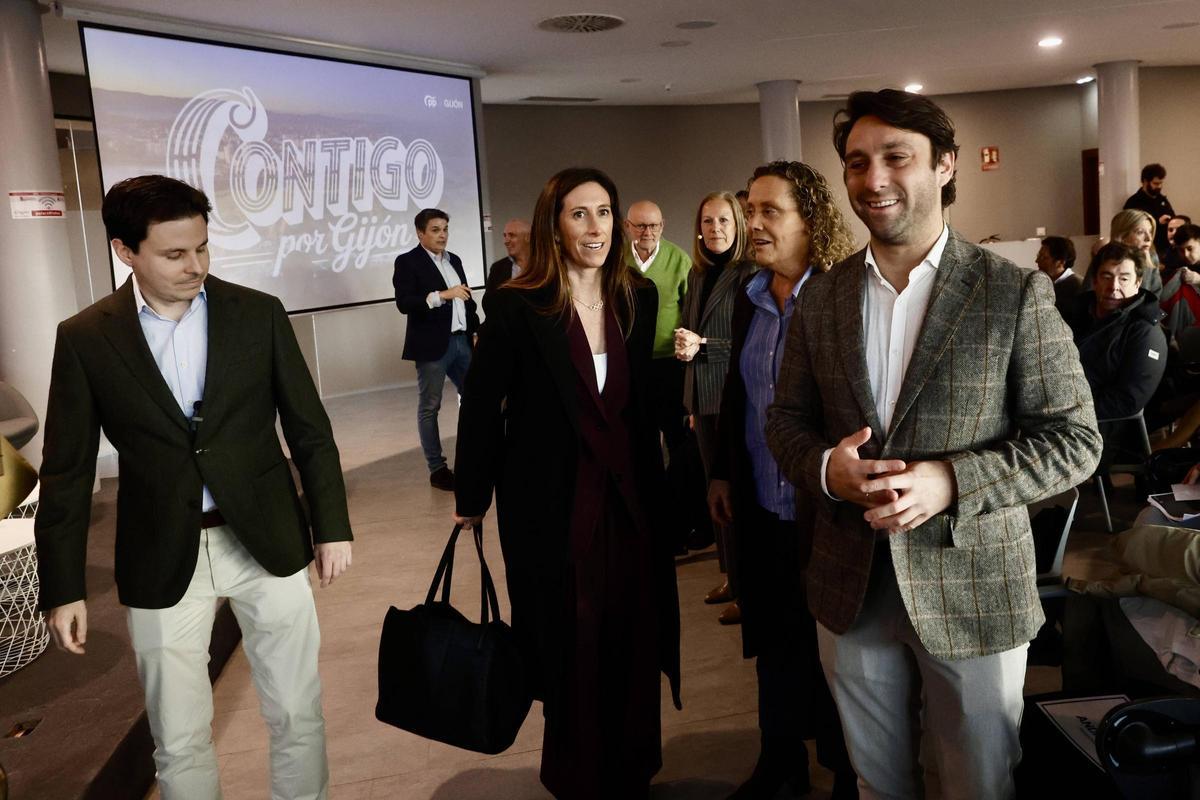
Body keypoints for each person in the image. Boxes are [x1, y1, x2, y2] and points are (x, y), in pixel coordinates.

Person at [765, 89, 1103, 800]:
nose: (874, 179)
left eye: (897, 157)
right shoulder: (822, 299)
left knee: (978, 782)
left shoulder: (1013, 293)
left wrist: (950, 483)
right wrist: (828, 469)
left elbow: (1074, 441)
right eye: (857, 163)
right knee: (877, 782)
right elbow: (785, 420)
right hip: (850, 585)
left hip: (975, 585)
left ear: (946, 165)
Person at [35, 175, 353, 800]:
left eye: (203, 248)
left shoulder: (257, 313)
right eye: (175, 254)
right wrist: (64, 586)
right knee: (177, 739)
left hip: (267, 539)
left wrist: (332, 525)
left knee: (296, 712)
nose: (196, 266)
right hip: (160, 551)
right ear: (126, 252)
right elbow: (66, 472)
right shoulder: (85, 337)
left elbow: (310, 430)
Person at [453, 167, 681, 800]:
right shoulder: (516, 303)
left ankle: (633, 767)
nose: (596, 227)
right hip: (552, 508)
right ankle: (578, 775)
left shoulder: (638, 297)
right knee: (569, 640)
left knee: (631, 632)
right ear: (555, 223)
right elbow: (480, 405)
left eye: (604, 212)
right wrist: (471, 497)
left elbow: (636, 408)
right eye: (580, 214)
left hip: (629, 504)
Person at [708, 162, 858, 800]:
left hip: (824, 510)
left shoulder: (840, 298)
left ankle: (849, 769)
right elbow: (737, 396)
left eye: (771, 211)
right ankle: (781, 759)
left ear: (810, 220)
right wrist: (720, 471)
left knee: (834, 652)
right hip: (759, 504)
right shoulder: (747, 299)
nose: (754, 223)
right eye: (752, 209)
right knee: (772, 639)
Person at [674, 191, 756, 625]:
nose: (716, 229)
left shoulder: (750, 275)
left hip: (734, 397)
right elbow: (689, 331)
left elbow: (751, 343)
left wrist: (704, 346)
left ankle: (748, 588)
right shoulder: (698, 272)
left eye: (724, 220)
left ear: (738, 225)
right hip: (703, 400)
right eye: (708, 221)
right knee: (715, 495)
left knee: (736, 494)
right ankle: (731, 576)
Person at [623, 199, 697, 549]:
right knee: (642, 443)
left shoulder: (679, 259)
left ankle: (680, 524)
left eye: (653, 226)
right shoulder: (616, 261)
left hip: (670, 365)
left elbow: (690, 311)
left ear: (663, 226)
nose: (647, 232)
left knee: (679, 444)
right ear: (627, 227)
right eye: (640, 226)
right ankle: (648, 522)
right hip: (632, 366)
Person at [393, 208, 480, 491]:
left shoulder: (454, 259)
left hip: (461, 341)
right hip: (432, 346)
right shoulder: (408, 262)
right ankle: (437, 468)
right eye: (435, 230)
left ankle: (477, 456)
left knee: (477, 398)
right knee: (430, 407)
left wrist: (475, 329)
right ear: (420, 233)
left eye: (444, 229)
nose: (442, 235)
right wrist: (442, 295)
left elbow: (466, 299)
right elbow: (405, 302)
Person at [1064, 242, 1168, 424]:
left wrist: (1065, 410)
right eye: (1106, 277)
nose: (1113, 287)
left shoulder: (1145, 332)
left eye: (1124, 279)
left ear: (1137, 283)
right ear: (1095, 281)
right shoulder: (1074, 313)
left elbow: (1127, 401)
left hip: (1103, 428)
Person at [1124, 163, 1175, 258]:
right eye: (1156, 183)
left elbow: (1173, 216)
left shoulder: (1162, 199)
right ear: (1145, 181)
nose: (1159, 186)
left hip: (1167, 250)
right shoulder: (1133, 202)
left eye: (1161, 183)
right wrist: (1157, 222)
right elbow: (1133, 227)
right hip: (1145, 250)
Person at [1110, 208, 1163, 296]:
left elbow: (1155, 294)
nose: (1149, 238)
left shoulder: (1152, 256)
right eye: (1140, 232)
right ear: (1122, 236)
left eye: (1150, 231)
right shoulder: (1105, 257)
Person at [1035, 235, 1083, 311]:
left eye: (1043, 257)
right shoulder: (1047, 283)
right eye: (1038, 256)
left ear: (1060, 262)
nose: (1037, 261)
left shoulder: (1077, 287)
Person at [485, 218, 531, 292]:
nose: (506, 241)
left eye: (512, 235)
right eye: (505, 236)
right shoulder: (497, 269)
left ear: (528, 237)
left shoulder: (545, 267)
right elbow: (487, 302)